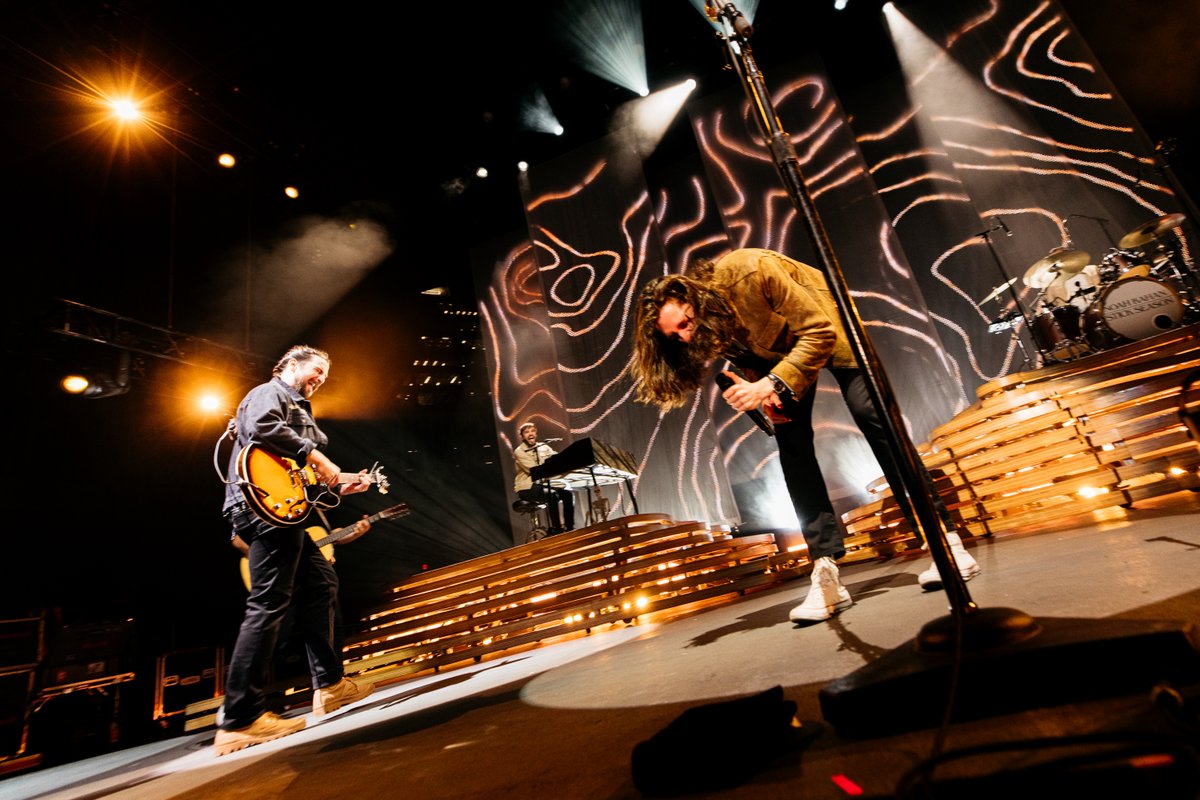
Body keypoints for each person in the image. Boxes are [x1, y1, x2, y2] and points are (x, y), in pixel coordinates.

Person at [630, 248, 979, 624]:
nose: (685, 336)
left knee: (872, 416)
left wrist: (769, 382)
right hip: (780, 358)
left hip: (828, 327)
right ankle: (825, 568)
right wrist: (756, 391)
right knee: (792, 446)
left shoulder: (749, 271)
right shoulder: (705, 327)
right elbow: (751, 354)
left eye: (684, 323)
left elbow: (819, 331)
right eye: (675, 336)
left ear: (693, 296)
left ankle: (943, 540)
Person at [215, 345, 375, 756]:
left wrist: (341, 483)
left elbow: (298, 476)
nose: (321, 378)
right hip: (262, 509)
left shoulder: (299, 410)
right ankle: (240, 718)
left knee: (322, 583)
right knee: (268, 603)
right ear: (290, 365)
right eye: (317, 369)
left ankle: (330, 685)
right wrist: (317, 454)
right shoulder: (270, 393)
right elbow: (263, 426)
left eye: (326, 373)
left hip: (284, 512)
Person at [512, 421, 576, 535]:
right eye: (526, 432)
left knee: (567, 494)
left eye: (532, 431)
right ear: (522, 436)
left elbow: (557, 458)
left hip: (544, 484)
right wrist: (551, 465)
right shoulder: (519, 451)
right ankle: (557, 530)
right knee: (551, 494)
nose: (530, 434)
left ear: (536, 434)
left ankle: (570, 528)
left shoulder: (543, 447)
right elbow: (533, 469)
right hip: (527, 487)